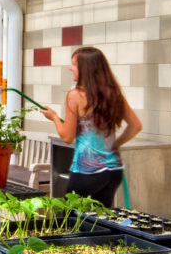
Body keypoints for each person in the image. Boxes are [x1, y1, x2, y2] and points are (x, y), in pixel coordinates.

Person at [39, 46, 143, 207]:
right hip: (112, 170)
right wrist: (115, 145)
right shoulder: (114, 95)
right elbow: (136, 126)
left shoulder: (75, 96)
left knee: (72, 220)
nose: (70, 68)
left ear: (85, 69)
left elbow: (67, 137)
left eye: (73, 64)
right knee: (101, 221)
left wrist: (53, 117)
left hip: (87, 171)